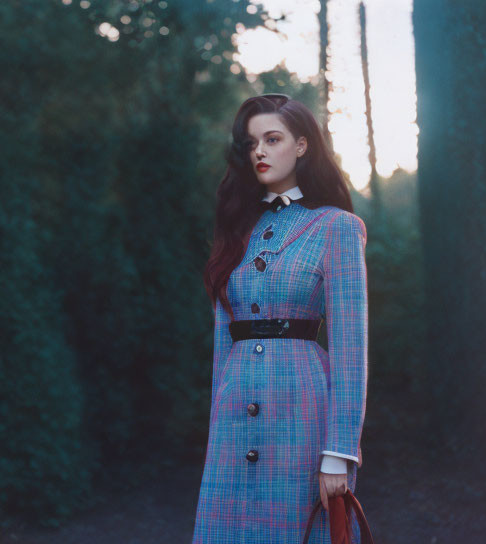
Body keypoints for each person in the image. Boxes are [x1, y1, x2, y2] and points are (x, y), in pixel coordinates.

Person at [193, 94, 368, 543]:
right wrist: (218, 425)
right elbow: (223, 341)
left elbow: (351, 348)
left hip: (303, 412)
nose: (260, 152)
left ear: (303, 145)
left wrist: (339, 453)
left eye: (273, 139)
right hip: (233, 414)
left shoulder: (336, 227)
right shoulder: (236, 231)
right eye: (251, 144)